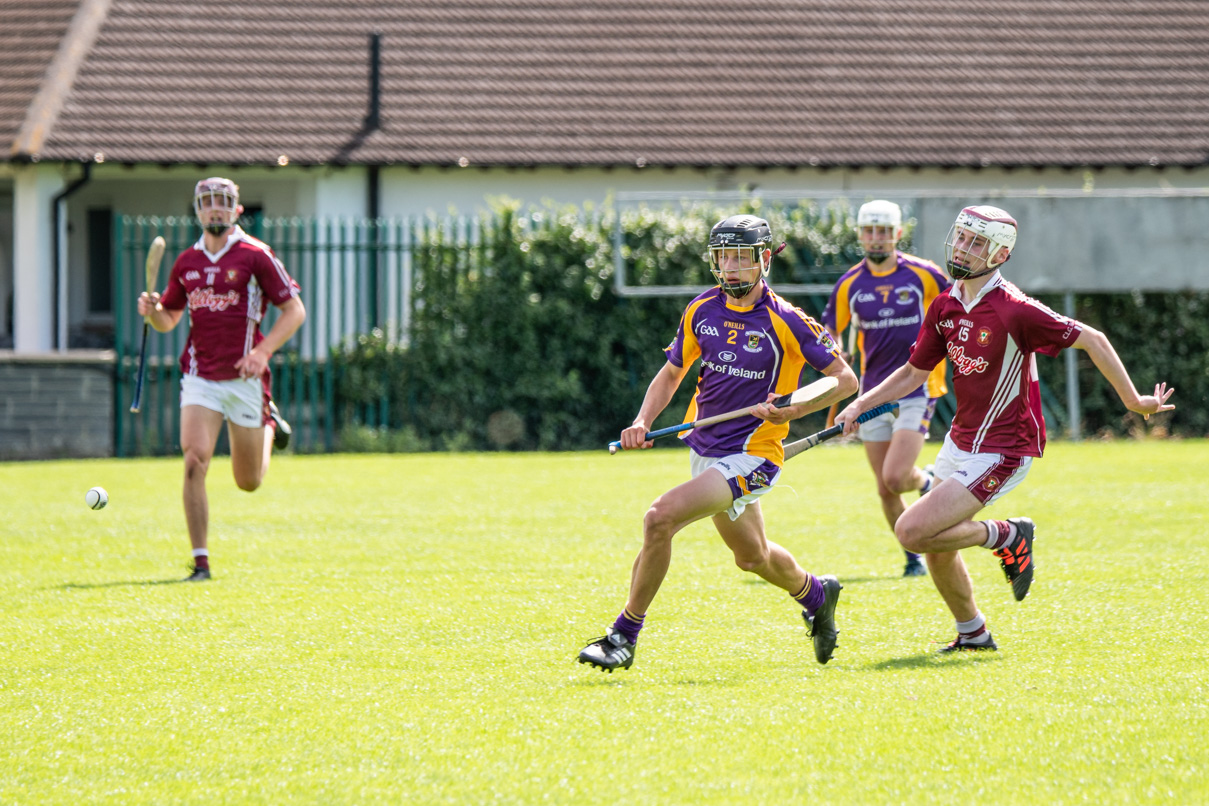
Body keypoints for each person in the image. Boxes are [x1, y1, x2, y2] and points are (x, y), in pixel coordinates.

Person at [835, 205, 1174, 652]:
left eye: (976, 243)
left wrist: (1134, 401)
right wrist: (861, 403)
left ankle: (1007, 534)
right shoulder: (947, 304)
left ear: (1000, 254)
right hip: (960, 441)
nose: (962, 248)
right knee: (936, 544)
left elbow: (1093, 338)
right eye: (960, 237)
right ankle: (973, 633)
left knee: (911, 532)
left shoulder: (1015, 309)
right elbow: (914, 372)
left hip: (1004, 448)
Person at [577, 215, 858, 672]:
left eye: (741, 258)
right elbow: (672, 373)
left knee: (658, 519)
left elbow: (844, 380)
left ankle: (622, 637)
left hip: (753, 456)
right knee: (752, 557)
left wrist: (791, 410)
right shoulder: (701, 309)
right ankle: (817, 594)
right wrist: (642, 419)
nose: (730, 268)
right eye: (723, 257)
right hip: (705, 450)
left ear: (764, 260)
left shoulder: (786, 319)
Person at [137, 177, 306, 582]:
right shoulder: (186, 263)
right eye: (208, 203)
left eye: (223, 203)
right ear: (197, 211)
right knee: (194, 459)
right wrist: (151, 310)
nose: (215, 209)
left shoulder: (255, 255)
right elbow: (168, 320)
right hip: (199, 376)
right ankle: (200, 562)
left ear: (237, 210)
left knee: (248, 482)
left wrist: (262, 353)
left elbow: (294, 310)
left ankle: (268, 426)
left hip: (245, 379)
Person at [823, 200, 952, 577]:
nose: (876, 239)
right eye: (869, 231)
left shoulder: (924, 275)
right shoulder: (849, 283)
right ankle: (912, 557)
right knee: (885, 489)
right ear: (861, 235)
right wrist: (834, 353)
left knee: (897, 476)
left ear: (897, 233)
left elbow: (961, 305)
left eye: (883, 232)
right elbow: (830, 332)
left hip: (917, 388)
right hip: (872, 394)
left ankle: (925, 481)